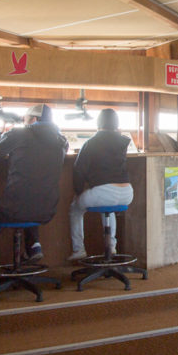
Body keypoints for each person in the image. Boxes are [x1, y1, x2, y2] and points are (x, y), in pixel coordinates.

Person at [0, 104, 68, 294]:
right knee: (30, 199)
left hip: (13, 208)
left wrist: (0, 134)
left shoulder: (19, 134)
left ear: (33, 120)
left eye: (25, 118)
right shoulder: (61, 141)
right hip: (47, 209)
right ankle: (33, 247)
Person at [68, 108, 132, 261]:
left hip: (103, 192)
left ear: (98, 123)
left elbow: (78, 170)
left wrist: (78, 192)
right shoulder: (123, 141)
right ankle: (111, 245)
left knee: (75, 209)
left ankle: (79, 249)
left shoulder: (91, 143)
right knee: (108, 211)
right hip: (127, 193)